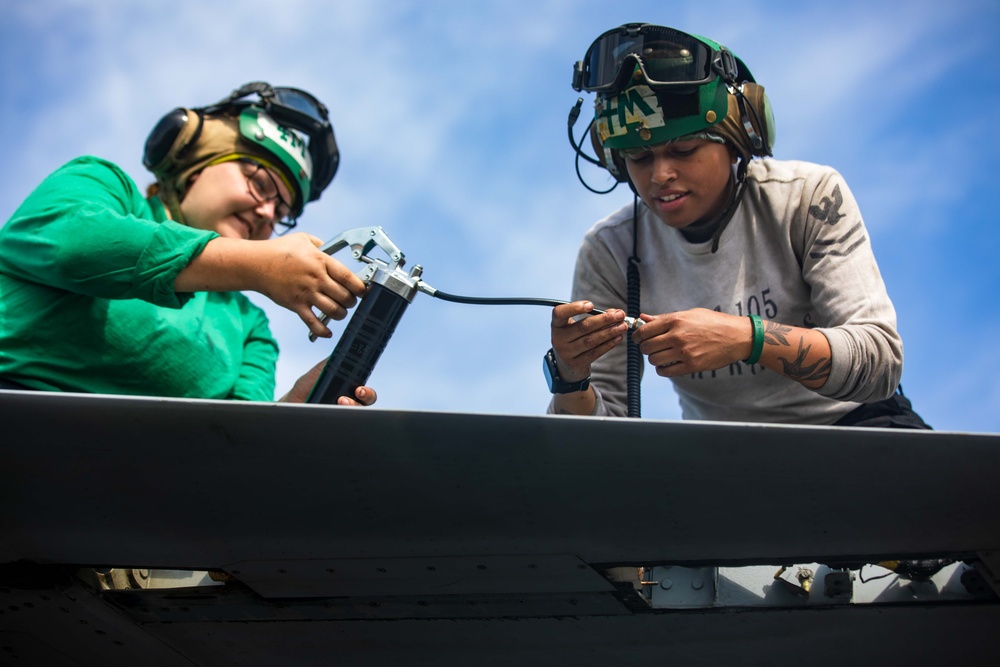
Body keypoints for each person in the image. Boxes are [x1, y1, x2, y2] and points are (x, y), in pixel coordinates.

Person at [546, 23, 928, 428]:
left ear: (738, 139)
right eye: (638, 158)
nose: (660, 175)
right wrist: (571, 377)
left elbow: (880, 361)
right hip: (724, 461)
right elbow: (603, 438)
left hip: (859, 429)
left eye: (683, 149)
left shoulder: (808, 197)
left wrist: (747, 339)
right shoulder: (609, 250)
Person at [0, 81, 373, 406]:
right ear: (196, 165)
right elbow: (76, 245)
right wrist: (257, 266)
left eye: (282, 211)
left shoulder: (248, 325)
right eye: (260, 183)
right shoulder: (100, 184)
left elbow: (240, 442)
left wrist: (295, 407)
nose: (267, 212)